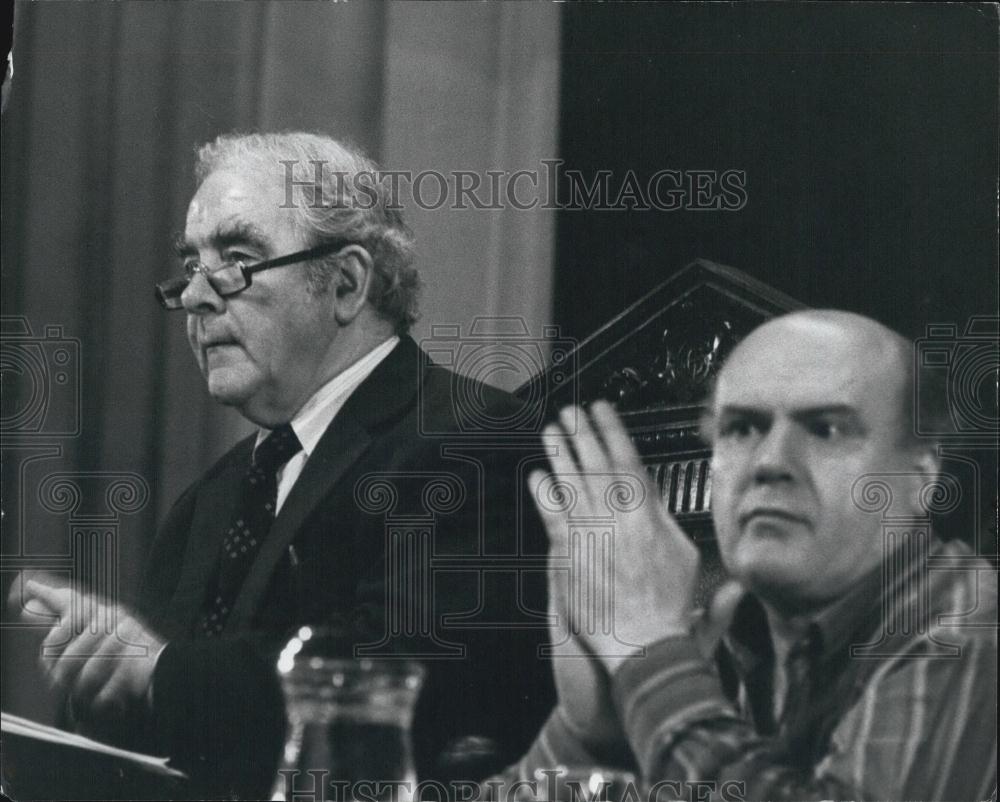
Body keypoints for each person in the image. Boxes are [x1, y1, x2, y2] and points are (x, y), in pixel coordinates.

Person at [14, 132, 553, 797]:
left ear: (346, 284)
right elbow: (159, 702)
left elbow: (394, 680)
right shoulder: (213, 496)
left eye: (237, 261)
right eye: (191, 265)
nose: (196, 297)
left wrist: (158, 678)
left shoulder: (477, 442)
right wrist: (105, 692)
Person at [511, 310, 996, 801]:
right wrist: (590, 736)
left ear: (920, 476)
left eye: (826, 429)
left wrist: (647, 656)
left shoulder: (971, 627)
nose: (769, 462)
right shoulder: (729, 635)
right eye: (742, 428)